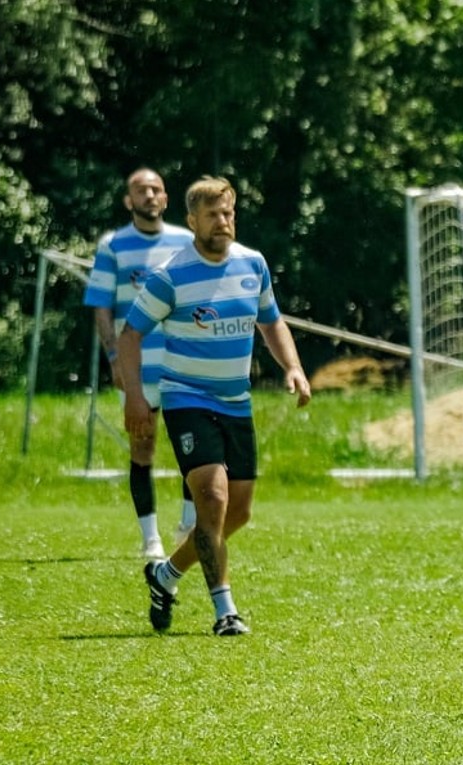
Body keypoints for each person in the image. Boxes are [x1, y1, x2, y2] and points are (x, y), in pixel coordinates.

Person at [117, 175, 311, 637]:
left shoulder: (253, 264)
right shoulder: (171, 275)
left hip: (235, 404)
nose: (223, 222)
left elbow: (271, 322)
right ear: (192, 221)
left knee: (237, 513)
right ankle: (226, 610)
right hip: (187, 399)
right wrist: (137, 398)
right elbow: (130, 335)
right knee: (214, 498)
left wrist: (293, 367)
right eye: (213, 215)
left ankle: (165, 575)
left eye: (229, 213)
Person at [82, 168, 197, 562]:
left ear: (166, 198)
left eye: (156, 189)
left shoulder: (186, 241)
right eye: (140, 190)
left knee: (192, 446)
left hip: (183, 361)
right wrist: (114, 356)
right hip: (137, 366)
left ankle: (188, 525)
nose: (149, 195)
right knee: (142, 445)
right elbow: (101, 304)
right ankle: (151, 538)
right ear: (128, 201)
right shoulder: (113, 245)